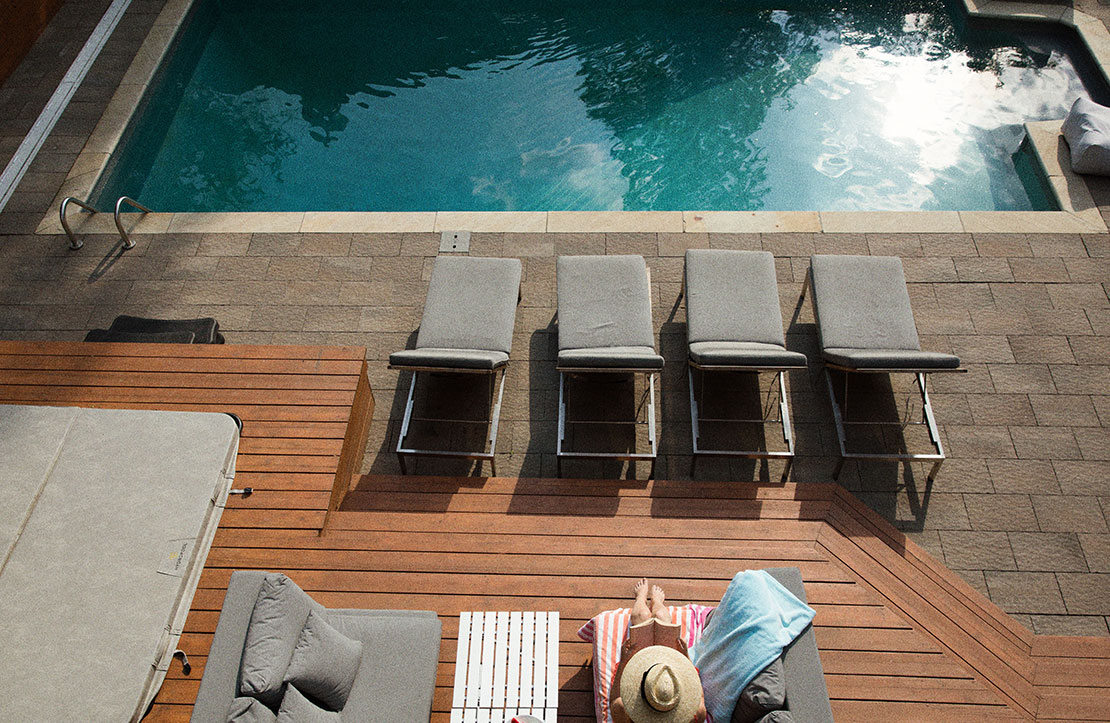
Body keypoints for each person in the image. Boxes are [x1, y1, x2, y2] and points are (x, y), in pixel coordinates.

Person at [610, 579, 708, 723]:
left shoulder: (624, 713)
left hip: (649, 674)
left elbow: (614, 700)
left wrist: (624, 660)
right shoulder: (696, 716)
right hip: (667, 673)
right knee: (661, 617)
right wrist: (685, 658)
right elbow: (699, 698)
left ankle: (641, 599)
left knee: (642, 616)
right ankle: (657, 602)